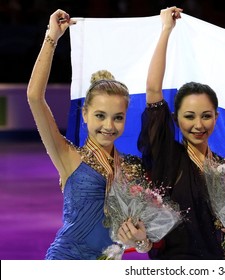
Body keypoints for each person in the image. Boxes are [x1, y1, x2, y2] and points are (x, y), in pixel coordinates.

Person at [27, 9, 149, 259]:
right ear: (85, 114)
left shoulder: (131, 168)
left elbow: (143, 237)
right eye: (100, 115)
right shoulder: (69, 157)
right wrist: (52, 37)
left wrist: (142, 240)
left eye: (118, 117)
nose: (109, 125)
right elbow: (34, 97)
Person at [133, 7, 225, 260]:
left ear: (216, 117)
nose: (198, 124)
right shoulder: (168, 156)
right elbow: (153, 91)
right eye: (189, 116)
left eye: (206, 116)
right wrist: (166, 30)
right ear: (175, 119)